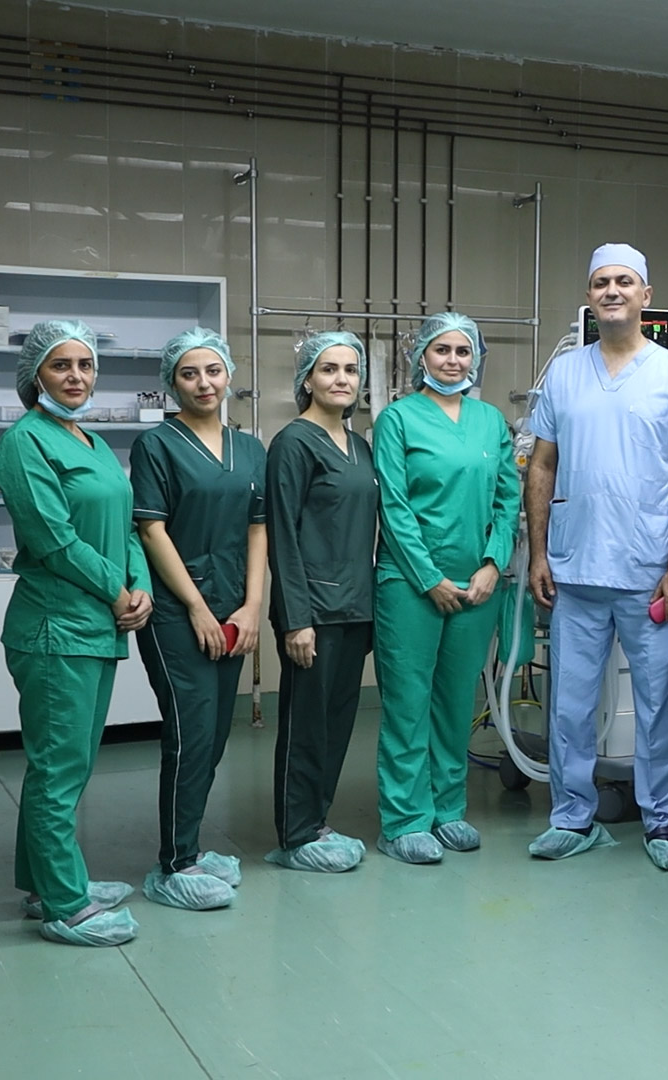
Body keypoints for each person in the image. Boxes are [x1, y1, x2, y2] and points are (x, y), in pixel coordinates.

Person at [525, 243, 668, 871]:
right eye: (601, 282)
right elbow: (542, 465)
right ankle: (571, 817)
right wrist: (537, 554)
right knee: (570, 703)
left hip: (650, 575)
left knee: (662, 699)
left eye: (624, 282)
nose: (612, 291)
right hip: (576, 569)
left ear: (645, 295)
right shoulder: (563, 374)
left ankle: (663, 822)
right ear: (589, 296)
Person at [0, 319, 151, 947]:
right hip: (56, 627)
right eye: (62, 366)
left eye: (86, 365)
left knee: (69, 764)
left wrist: (137, 585)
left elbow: (128, 525)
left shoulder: (86, 438)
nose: (77, 377)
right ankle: (64, 903)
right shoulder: (24, 442)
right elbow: (53, 540)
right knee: (58, 769)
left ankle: (44, 883)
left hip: (99, 623)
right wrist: (117, 591)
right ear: (35, 375)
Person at [372, 313, 522, 864]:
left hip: (478, 587)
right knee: (408, 702)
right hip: (410, 585)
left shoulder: (490, 421)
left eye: (463, 351)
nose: (453, 360)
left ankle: (448, 809)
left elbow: (509, 502)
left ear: (475, 359)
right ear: (422, 358)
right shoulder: (398, 420)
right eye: (442, 350)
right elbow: (394, 506)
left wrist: (492, 564)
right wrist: (428, 577)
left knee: (457, 702)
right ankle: (404, 819)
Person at [130, 328, 266, 910]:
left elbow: (259, 528)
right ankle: (175, 862)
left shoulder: (251, 448)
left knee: (213, 737)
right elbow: (152, 529)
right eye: (189, 374)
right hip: (177, 613)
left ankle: (190, 845)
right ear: (172, 382)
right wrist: (196, 607)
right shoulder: (156, 445)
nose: (204, 383)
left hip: (236, 607)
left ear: (229, 375)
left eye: (213, 371)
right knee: (188, 735)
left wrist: (253, 605)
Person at [265, 331, 378, 874]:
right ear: (307, 379)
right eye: (329, 369)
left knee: (337, 724)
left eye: (350, 370)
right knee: (306, 724)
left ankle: (319, 820)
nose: (341, 380)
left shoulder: (360, 446)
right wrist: (296, 619)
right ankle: (296, 831)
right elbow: (282, 535)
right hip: (313, 611)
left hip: (356, 607)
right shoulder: (294, 443)